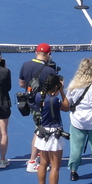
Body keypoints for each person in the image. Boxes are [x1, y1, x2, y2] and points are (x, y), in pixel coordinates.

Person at [19, 43, 60, 172]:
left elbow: (21, 84)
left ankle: (37, 155)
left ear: (36, 52)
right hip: (44, 106)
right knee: (39, 132)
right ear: (48, 54)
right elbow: (55, 92)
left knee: (38, 128)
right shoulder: (49, 71)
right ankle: (32, 162)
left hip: (31, 103)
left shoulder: (25, 65)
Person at [35, 73, 70, 184]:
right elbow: (67, 107)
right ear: (55, 86)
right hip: (54, 135)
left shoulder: (39, 96)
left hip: (43, 134)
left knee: (43, 164)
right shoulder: (54, 100)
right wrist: (61, 91)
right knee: (55, 167)